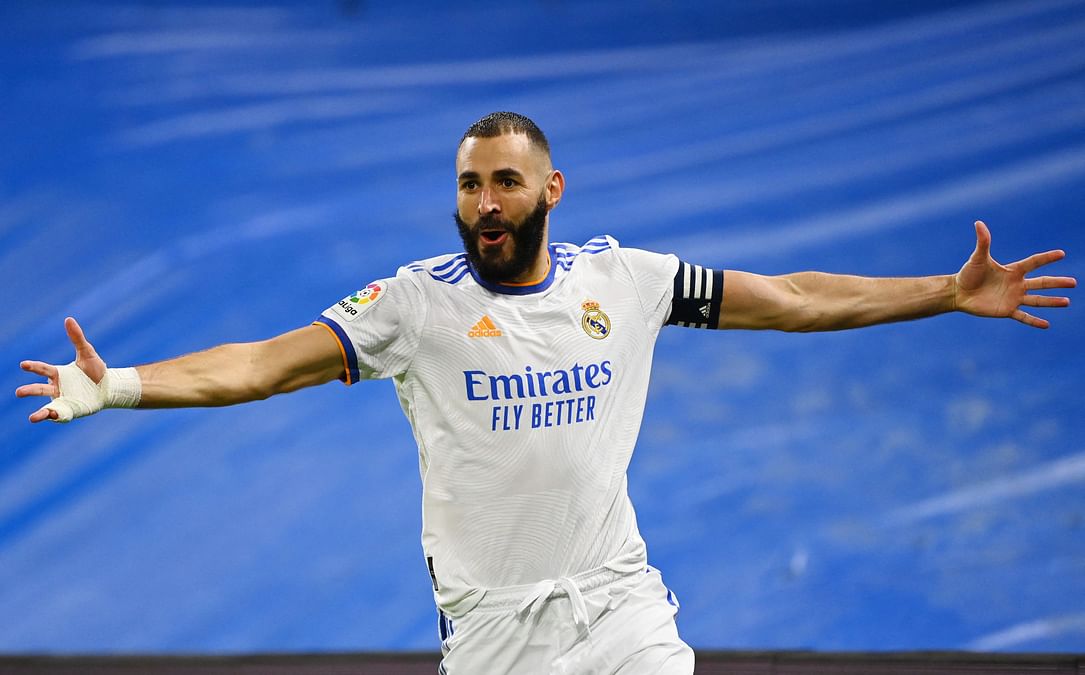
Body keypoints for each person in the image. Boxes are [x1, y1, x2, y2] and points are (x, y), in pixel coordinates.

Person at [17, 112, 1076, 674]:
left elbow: (795, 296)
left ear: (549, 191)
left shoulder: (627, 279)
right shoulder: (408, 306)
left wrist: (942, 290)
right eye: (469, 183)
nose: (484, 200)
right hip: (492, 634)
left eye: (505, 181)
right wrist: (122, 390)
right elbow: (258, 363)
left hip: (617, 606)